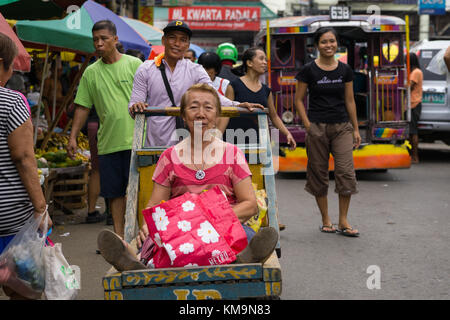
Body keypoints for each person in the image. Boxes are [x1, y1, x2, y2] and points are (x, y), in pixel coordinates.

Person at [97, 83, 279, 271]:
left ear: (217, 116)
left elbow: (249, 205)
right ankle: (134, 262)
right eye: (193, 107)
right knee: (151, 244)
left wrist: (205, 219)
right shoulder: (169, 157)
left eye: (208, 108)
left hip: (225, 227)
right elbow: (155, 205)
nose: (201, 113)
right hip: (178, 230)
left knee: (246, 239)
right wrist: (148, 226)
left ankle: (242, 260)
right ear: (183, 116)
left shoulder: (232, 154)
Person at [128, 20, 263, 147]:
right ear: (164, 40)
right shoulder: (146, 69)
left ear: (187, 45)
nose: (177, 43)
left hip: (187, 149)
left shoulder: (195, 70)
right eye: (172, 38)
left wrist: (238, 104)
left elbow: (213, 96)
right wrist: (136, 106)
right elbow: (134, 104)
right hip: (154, 147)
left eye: (183, 40)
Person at [67, 20, 143, 239]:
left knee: (137, 193)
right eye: (95, 40)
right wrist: (72, 137)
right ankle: (119, 237)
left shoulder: (134, 65)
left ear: (115, 40)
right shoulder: (91, 72)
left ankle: (140, 238)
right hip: (108, 142)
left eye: (104, 39)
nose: (99, 44)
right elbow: (82, 106)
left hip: (138, 141)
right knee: (114, 194)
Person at [294, 27, 361, 237]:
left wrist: (356, 128)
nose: (329, 45)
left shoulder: (345, 70)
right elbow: (298, 100)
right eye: (324, 42)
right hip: (317, 127)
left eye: (332, 41)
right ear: (316, 46)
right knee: (319, 174)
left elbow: (350, 101)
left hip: (342, 127)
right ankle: (326, 219)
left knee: (345, 172)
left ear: (337, 44)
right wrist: (308, 126)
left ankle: (343, 220)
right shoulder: (308, 70)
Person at [0, 33, 52, 299]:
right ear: (2, 65)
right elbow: (23, 158)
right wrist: (41, 209)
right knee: (22, 291)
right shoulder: (11, 101)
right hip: (9, 218)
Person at [223, 47, 296, 150]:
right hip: (233, 140)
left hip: (257, 141)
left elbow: (274, 117)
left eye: (265, 60)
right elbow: (226, 114)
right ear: (249, 63)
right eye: (261, 59)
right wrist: (217, 139)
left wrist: (287, 133)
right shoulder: (234, 86)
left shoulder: (266, 90)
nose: (265, 63)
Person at [409, 52, 423, 164]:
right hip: (412, 103)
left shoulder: (415, 72)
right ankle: (412, 155)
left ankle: (415, 156)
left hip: (414, 103)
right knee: (411, 131)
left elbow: (409, 86)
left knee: (413, 131)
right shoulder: (415, 72)